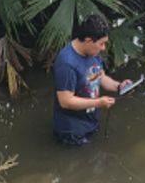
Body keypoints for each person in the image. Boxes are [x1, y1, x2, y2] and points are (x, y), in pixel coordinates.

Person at [53, 14, 132, 146]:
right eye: (101, 44)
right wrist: (98, 103)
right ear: (89, 41)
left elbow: (100, 76)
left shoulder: (93, 53)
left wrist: (119, 86)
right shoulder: (66, 63)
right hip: (72, 131)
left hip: (90, 121)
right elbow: (65, 101)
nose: (103, 48)